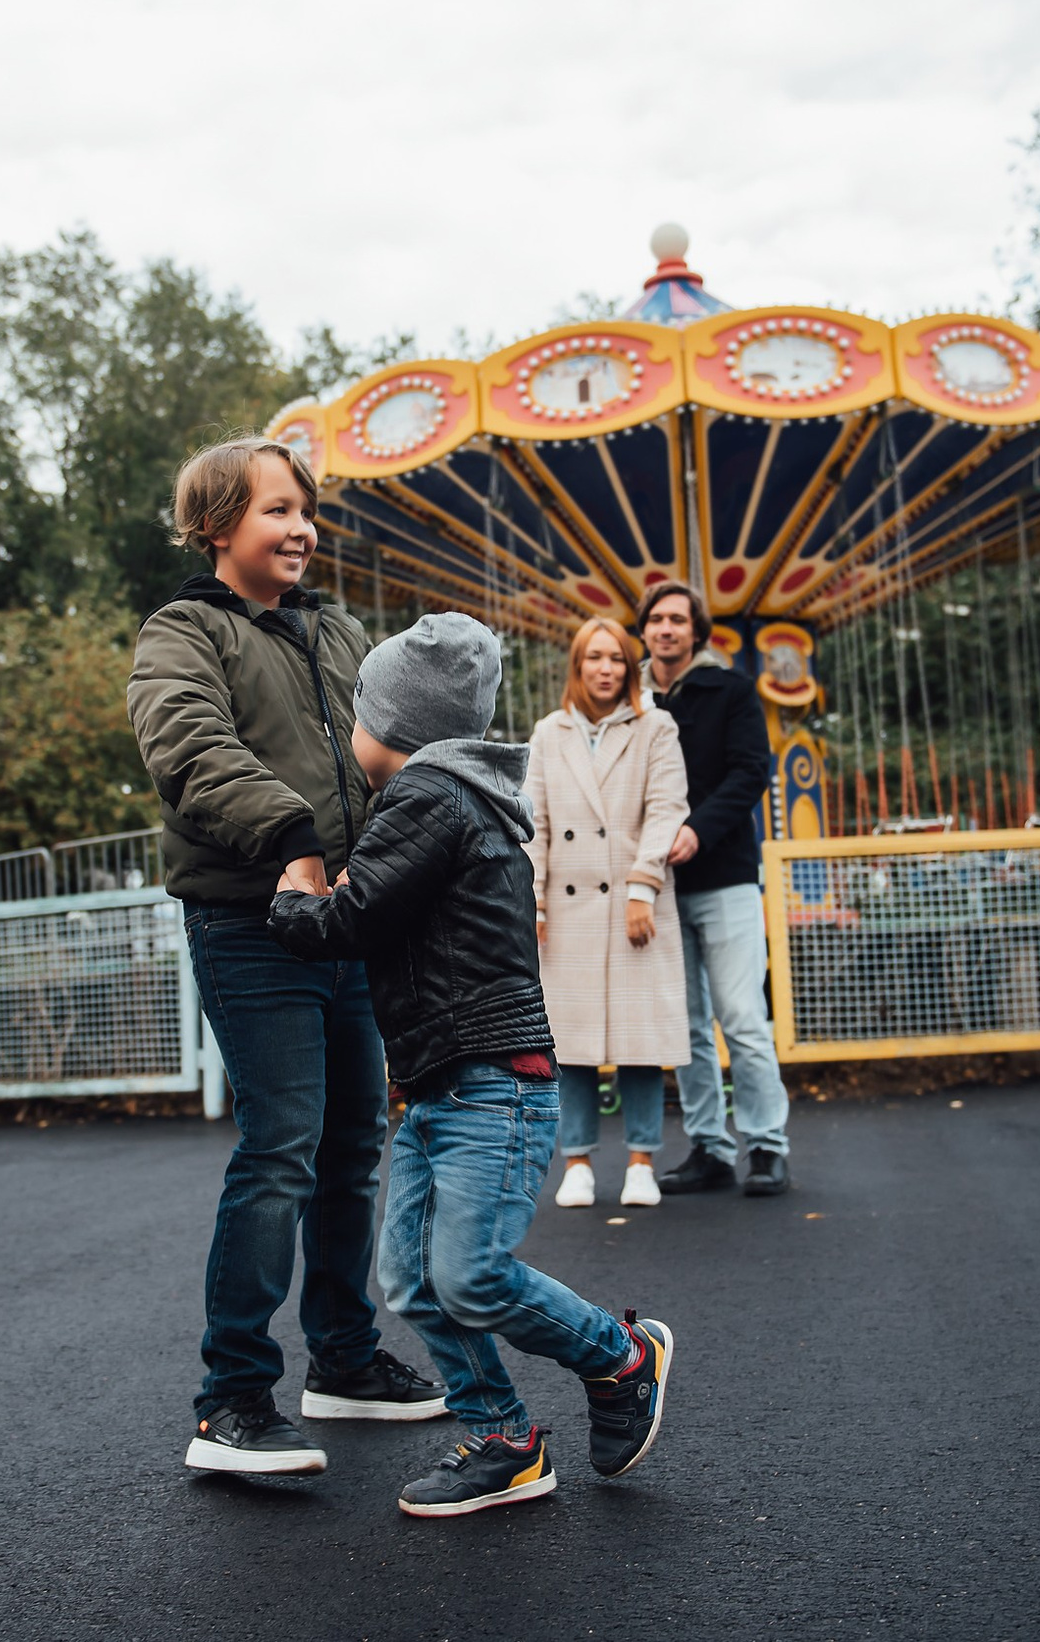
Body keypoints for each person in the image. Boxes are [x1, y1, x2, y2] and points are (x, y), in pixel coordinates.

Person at [269, 613, 676, 1518]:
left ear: (397, 722)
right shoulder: (455, 799)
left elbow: (350, 920)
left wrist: (293, 897)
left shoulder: (426, 796)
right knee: (415, 1279)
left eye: (360, 712)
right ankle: (505, 1438)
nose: (354, 728)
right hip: (439, 1085)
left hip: (491, 1082)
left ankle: (621, 1356)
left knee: (469, 1273)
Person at [127, 436, 446, 1479]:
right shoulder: (184, 632)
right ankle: (230, 1398)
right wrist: (293, 838)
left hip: (348, 921)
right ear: (216, 524)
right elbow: (189, 747)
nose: (301, 527)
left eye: (305, 509)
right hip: (252, 921)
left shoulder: (339, 631)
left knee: (353, 1144)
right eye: (276, 509)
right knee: (282, 1146)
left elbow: (393, 750)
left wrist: (409, 854)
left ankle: (344, 1359)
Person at [524, 616, 691, 1209]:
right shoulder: (549, 733)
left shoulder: (656, 726)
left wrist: (643, 887)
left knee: (639, 1039)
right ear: (578, 665)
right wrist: (533, 898)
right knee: (569, 1043)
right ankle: (577, 1162)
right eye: (594, 657)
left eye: (616, 658)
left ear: (629, 667)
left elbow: (667, 807)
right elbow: (535, 822)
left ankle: (642, 1160)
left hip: (633, 900)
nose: (605, 669)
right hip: (568, 906)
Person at [638, 583, 794, 1197]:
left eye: (678, 619)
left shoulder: (730, 689)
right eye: (657, 619)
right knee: (686, 1025)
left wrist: (698, 829)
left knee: (742, 1016)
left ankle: (767, 1144)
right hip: (660, 883)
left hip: (724, 874)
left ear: (696, 631)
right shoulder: (631, 700)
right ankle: (709, 1145)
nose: (666, 628)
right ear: (644, 630)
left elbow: (751, 771)